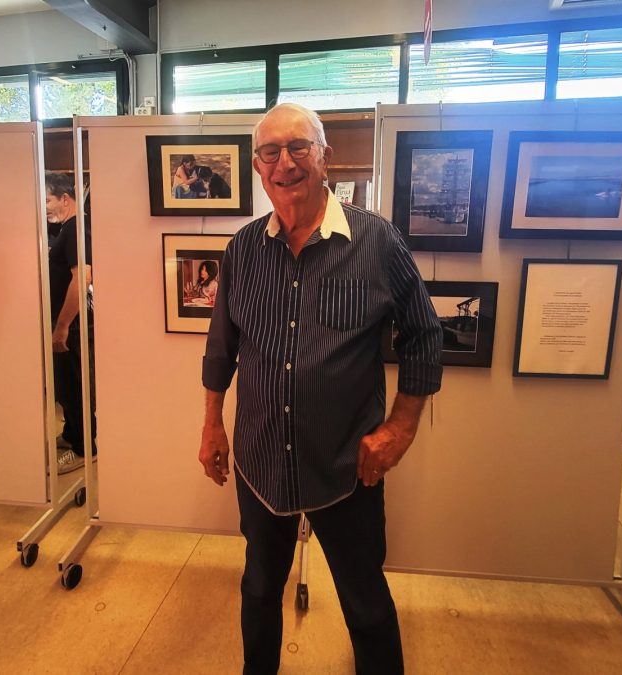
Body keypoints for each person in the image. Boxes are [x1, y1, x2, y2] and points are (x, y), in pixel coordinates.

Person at [199, 102, 443, 675]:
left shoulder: (377, 243)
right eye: (270, 152)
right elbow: (220, 350)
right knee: (259, 588)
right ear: (258, 168)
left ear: (325, 158)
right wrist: (212, 423)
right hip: (261, 463)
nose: (284, 163)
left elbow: (425, 336)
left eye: (298, 147)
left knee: (364, 600)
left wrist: (401, 429)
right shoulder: (242, 250)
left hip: (346, 467)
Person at [45, 172, 96, 474]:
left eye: (48, 200)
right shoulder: (68, 228)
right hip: (67, 322)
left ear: (65, 198)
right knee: (65, 385)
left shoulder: (77, 228)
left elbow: (82, 277)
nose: (46, 207)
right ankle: (72, 434)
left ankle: (84, 448)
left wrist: (62, 326)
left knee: (74, 386)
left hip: (73, 325)